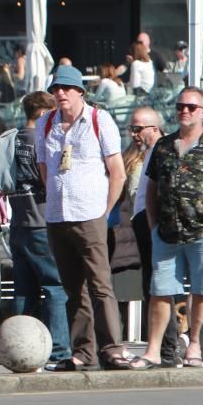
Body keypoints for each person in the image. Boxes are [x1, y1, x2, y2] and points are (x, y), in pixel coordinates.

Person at [133, 87, 203, 370]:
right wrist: (154, 226)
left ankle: (195, 347)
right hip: (167, 232)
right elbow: (151, 188)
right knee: (160, 291)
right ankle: (153, 350)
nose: (185, 111)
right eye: (180, 106)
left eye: (191, 107)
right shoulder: (164, 146)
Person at [34, 66, 131, 371]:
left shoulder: (98, 120)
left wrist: (103, 210)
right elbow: (44, 169)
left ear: (80, 91)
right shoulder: (45, 123)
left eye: (66, 88)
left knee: (100, 284)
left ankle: (112, 348)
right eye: (56, 89)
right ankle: (82, 351)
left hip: (89, 214)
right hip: (57, 215)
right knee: (73, 287)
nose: (60, 93)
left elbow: (117, 172)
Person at [8, 92, 72, 365]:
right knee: (55, 286)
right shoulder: (43, 140)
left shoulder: (11, 139)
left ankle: (17, 345)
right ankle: (58, 350)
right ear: (45, 111)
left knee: (24, 289)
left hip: (18, 222)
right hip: (42, 222)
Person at [126, 106, 180, 366]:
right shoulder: (149, 151)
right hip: (143, 220)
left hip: (154, 222)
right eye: (131, 129)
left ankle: (167, 348)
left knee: (159, 285)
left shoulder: (164, 149)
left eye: (138, 129)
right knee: (153, 285)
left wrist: (153, 221)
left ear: (154, 128)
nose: (134, 134)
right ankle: (164, 346)